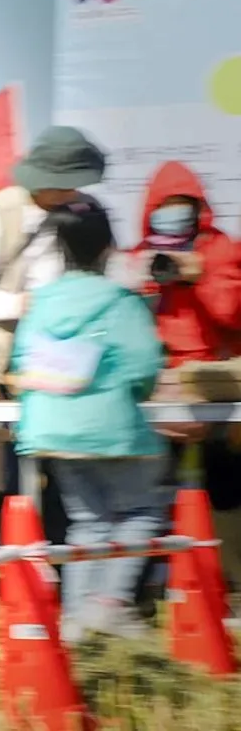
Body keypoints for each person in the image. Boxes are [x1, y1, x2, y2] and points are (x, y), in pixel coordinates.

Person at [10, 196, 167, 642]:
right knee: (139, 513)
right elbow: (143, 365)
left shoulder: (42, 302)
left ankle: (76, 621)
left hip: (52, 430)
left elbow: (23, 359)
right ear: (107, 249)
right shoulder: (121, 301)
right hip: (112, 431)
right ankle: (109, 604)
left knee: (88, 521)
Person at [0, 125, 108, 551]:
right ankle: (15, 566)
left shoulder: (89, 210)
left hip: (75, 355)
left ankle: (62, 559)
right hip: (10, 352)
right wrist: (15, 305)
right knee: (16, 469)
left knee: (70, 464)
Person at [128, 161, 241, 594]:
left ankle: (230, 580)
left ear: (198, 209)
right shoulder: (139, 255)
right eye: (164, 208)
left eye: (182, 207)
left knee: (226, 486)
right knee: (153, 487)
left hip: (211, 385)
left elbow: (232, 313)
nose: (172, 216)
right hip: (158, 386)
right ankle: (157, 583)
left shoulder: (219, 249)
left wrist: (202, 277)